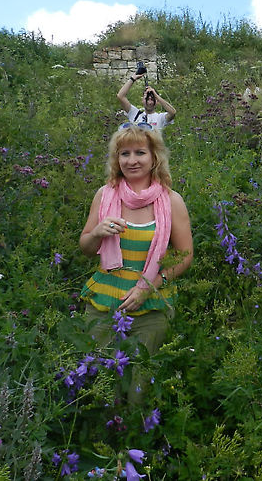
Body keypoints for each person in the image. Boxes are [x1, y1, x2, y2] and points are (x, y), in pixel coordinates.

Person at [78, 124, 193, 398]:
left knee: (138, 386)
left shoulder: (171, 201)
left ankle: (134, 437)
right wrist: (96, 232)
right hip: (103, 304)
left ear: (155, 157)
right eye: (124, 153)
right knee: (101, 384)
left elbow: (185, 257)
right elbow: (85, 247)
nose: (132, 160)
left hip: (150, 309)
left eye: (140, 152)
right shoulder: (104, 195)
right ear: (116, 159)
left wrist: (148, 287)